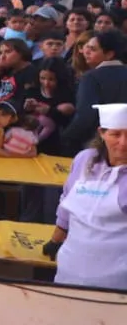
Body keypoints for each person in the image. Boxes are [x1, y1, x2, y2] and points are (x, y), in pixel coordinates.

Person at [44, 103, 127, 290]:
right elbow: (67, 201)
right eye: (115, 134)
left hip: (117, 281)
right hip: (71, 270)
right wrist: (56, 239)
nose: (123, 143)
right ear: (102, 133)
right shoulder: (85, 159)